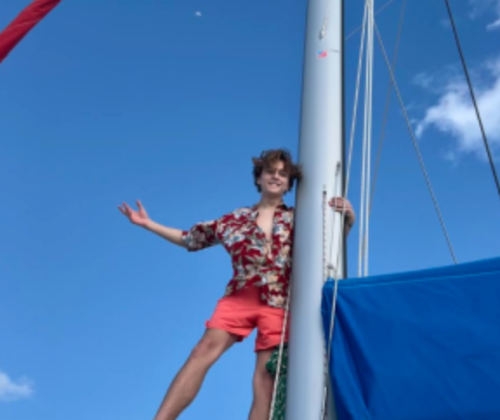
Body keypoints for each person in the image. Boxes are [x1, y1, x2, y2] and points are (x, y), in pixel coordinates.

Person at [118, 149, 355, 420]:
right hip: (239, 297)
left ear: (289, 184)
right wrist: (148, 224)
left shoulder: (299, 219)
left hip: (279, 304)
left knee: (265, 383)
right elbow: (189, 239)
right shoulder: (234, 220)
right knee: (202, 351)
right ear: (259, 178)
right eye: (270, 171)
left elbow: (327, 252)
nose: (276, 177)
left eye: (282, 174)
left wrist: (346, 220)